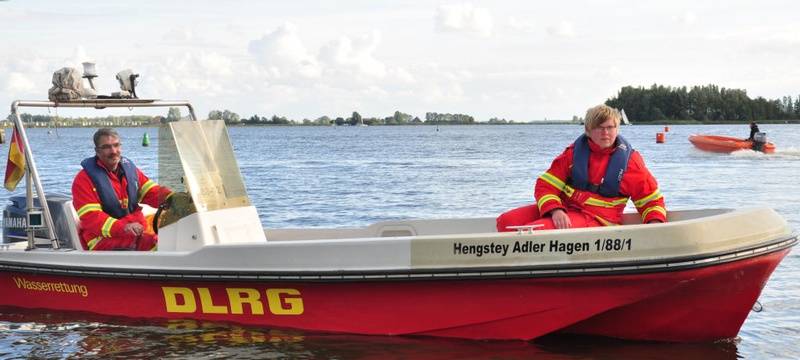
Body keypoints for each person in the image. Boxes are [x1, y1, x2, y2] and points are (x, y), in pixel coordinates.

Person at [496, 105, 666, 232]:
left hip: (598, 219)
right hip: (566, 209)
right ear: (588, 130)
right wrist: (555, 210)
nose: (605, 132)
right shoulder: (573, 154)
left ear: (617, 128)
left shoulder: (631, 162)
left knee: (531, 232)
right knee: (506, 221)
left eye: (610, 127)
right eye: (599, 128)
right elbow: (545, 186)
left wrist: (654, 225)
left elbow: (651, 200)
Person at [72, 128, 172, 251]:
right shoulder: (83, 180)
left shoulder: (130, 170)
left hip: (135, 231)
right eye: (107, 147)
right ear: (97, 151)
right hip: (102, 240)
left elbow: (151, 192)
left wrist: (173, 198)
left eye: (116, 145)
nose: (113, 151)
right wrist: (124, 227)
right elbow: (92, 218)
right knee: (159, 245)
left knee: (174, 237)